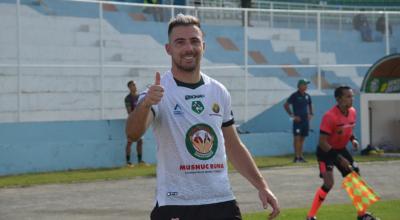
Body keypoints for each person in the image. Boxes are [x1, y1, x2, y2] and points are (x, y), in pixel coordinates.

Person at [126, 14, 280, 220]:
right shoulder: (157, 92)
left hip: (221, 201)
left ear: (203, 46)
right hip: (176, 203)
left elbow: (233, 145)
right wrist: (145, 104)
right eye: (180, 42)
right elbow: (133, 133)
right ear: (168, 49)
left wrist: (262, 186)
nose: (188, 48)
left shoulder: (219, 91)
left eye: (194, 41)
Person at [306, 86, 378, 220]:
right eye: (348, 96)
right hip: (326, 151)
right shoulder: (330, 116)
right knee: (328, 183)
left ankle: (362, 215)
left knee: (354, 178)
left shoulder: (352, 112)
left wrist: (353, 139)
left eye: (352, 96)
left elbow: (348, 129)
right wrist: (339, 159)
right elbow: (322, 142)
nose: (352, 99)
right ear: (338, 99)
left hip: (341, 149)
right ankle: (310, 216)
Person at [284, 79, 313, 163]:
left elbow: (310, 104)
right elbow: (286, 105)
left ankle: (300, 156)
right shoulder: (294, 95)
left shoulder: (307, 96)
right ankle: (296, 157)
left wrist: (311, 114)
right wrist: (292, 116)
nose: (306, 86)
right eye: (304, 84)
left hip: (305, 121)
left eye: (306, 85)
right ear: (299, 86)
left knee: (302, 139)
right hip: (297, 121)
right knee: (297, 138)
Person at [124, 80, 145, 166]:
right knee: (130, 141)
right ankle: (128, 162)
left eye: (135, 85)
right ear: (129, 87)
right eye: (133, 85)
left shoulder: (140, 96)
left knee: (140, 141)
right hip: (132, 122)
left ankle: (140, 161)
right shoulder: (128, 98)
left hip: (139, 122)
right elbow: (129, 112)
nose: (135, 86)